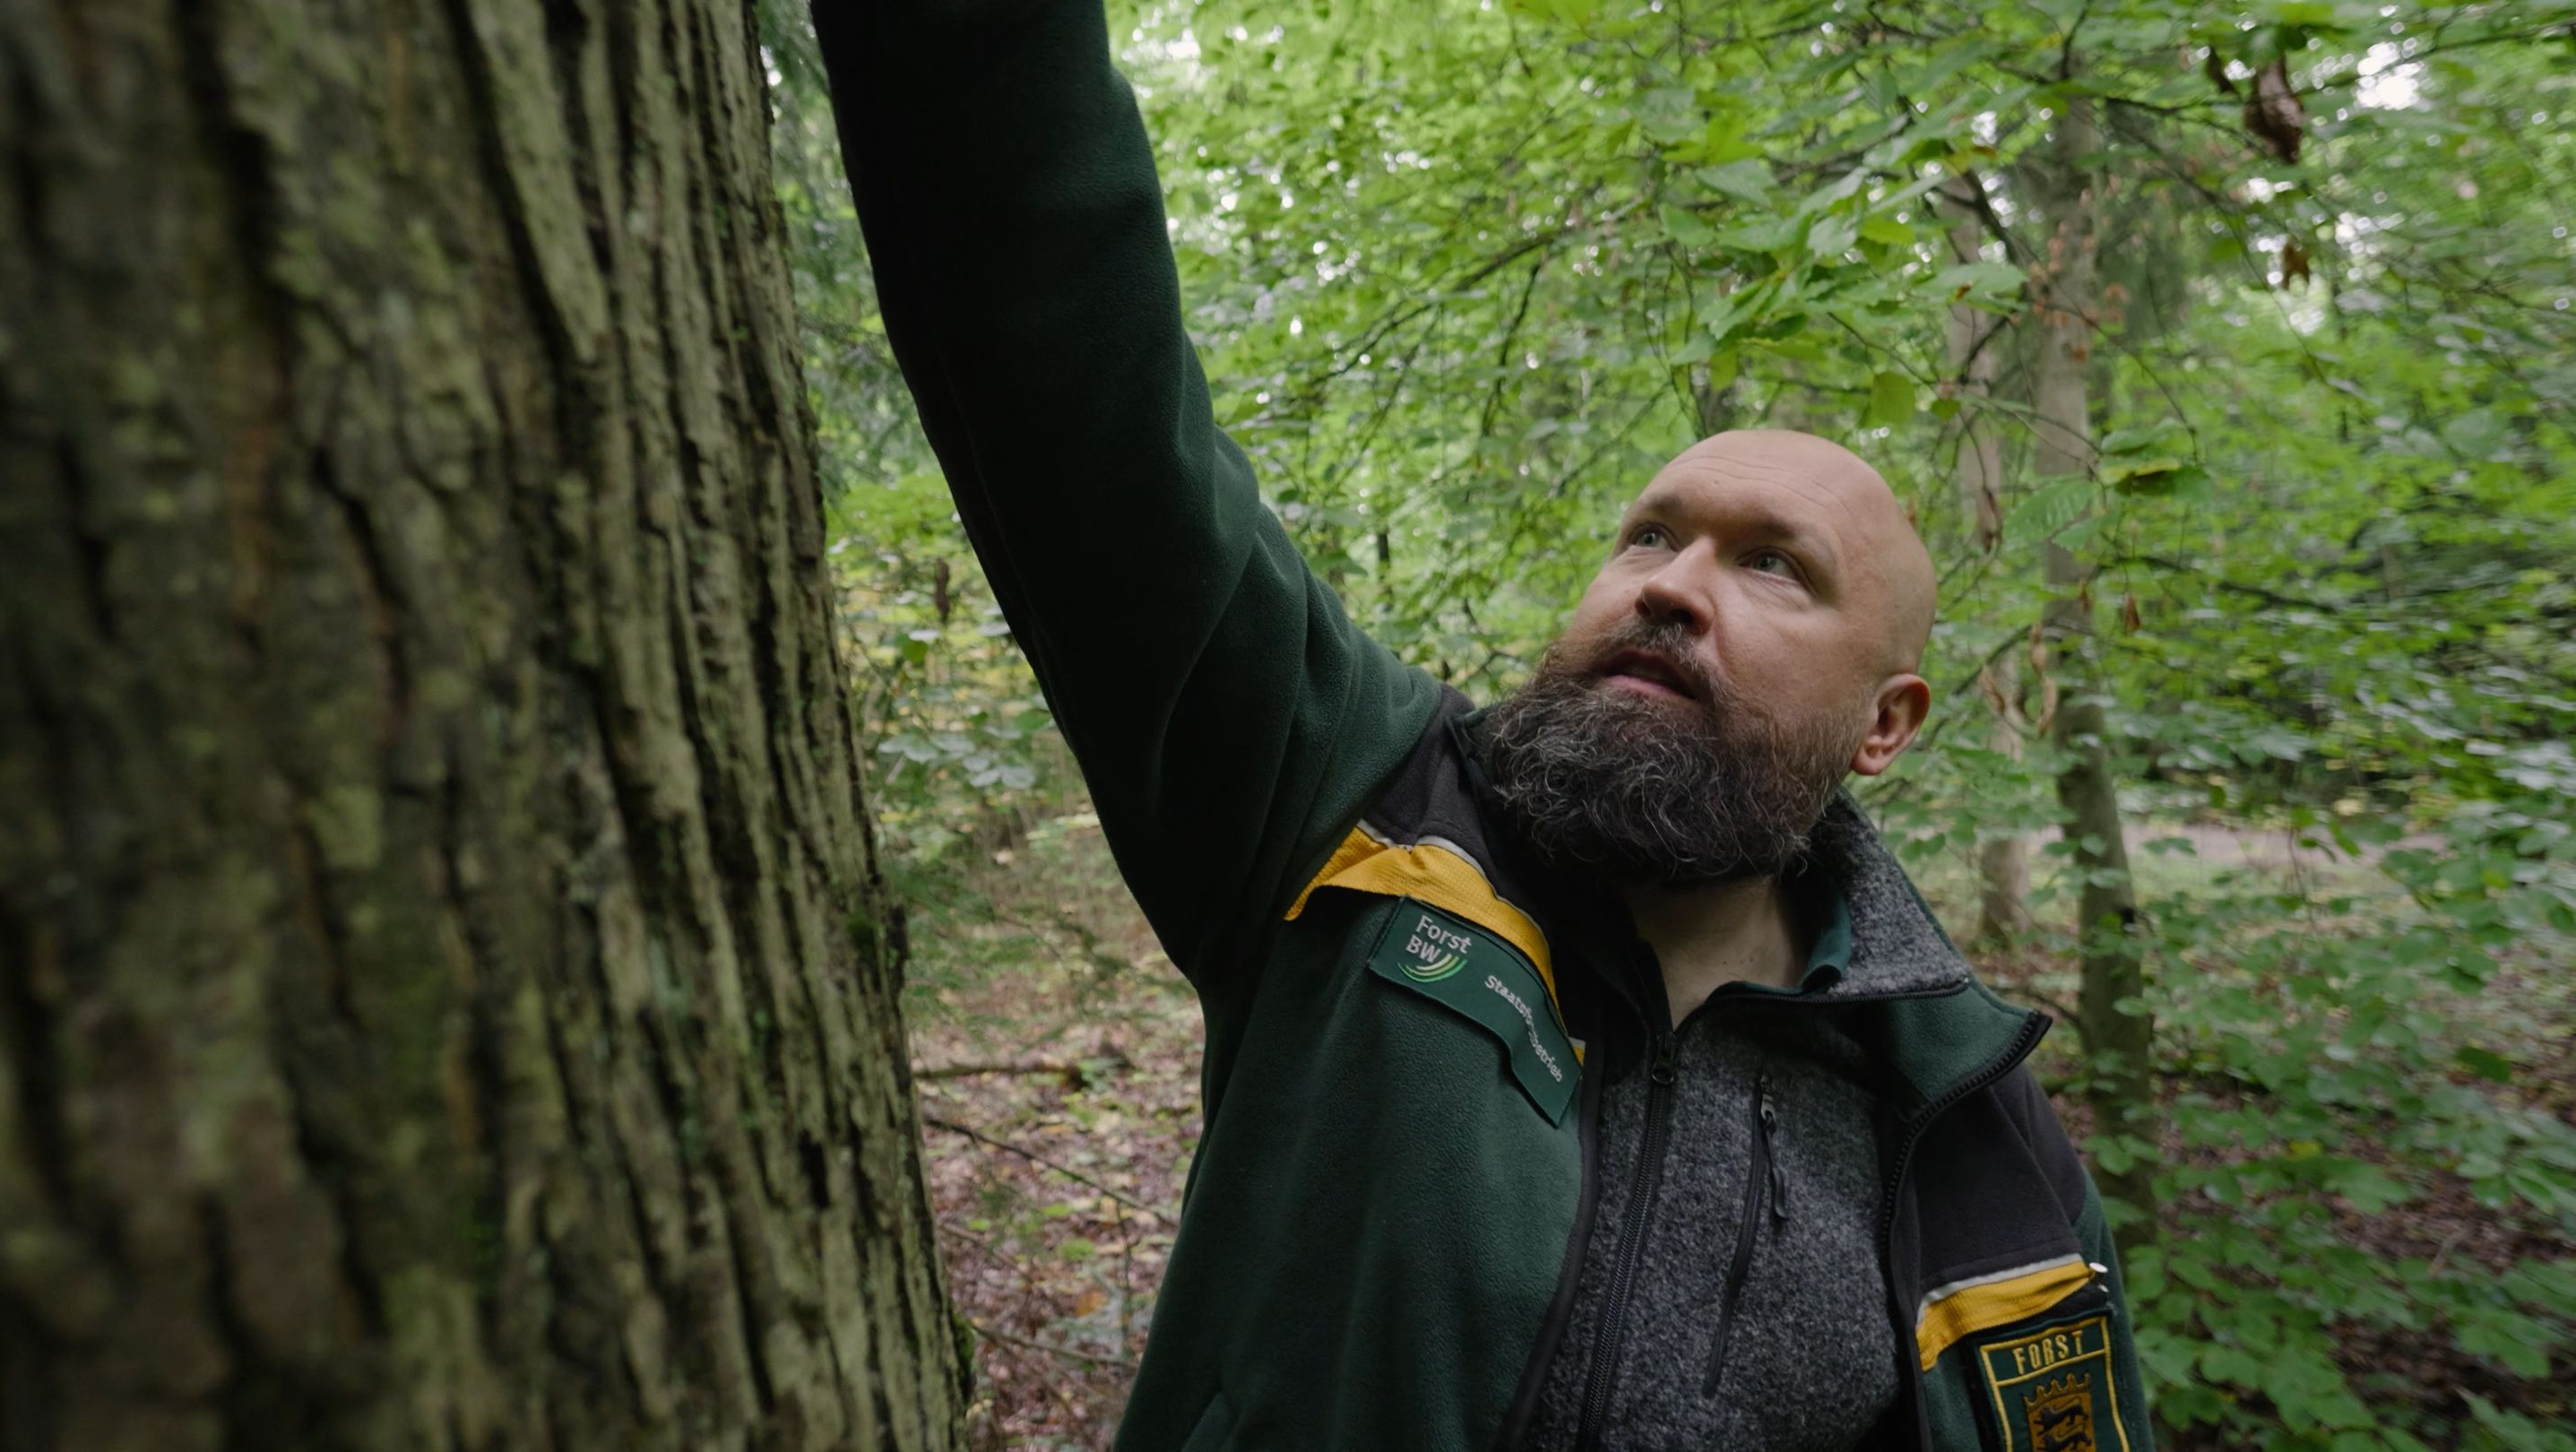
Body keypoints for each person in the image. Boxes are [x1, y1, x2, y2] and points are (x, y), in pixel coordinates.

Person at [810, 3, 2151, 1448]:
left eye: (1773, 565)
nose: (1674, 589)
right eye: (1648, 537)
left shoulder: (1972, 1138)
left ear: (1885, 726)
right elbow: (1068, 367)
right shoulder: (1356, 813)